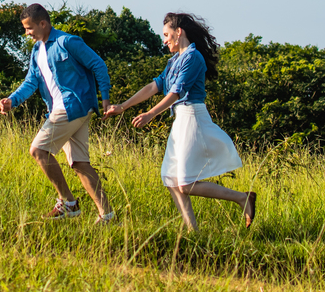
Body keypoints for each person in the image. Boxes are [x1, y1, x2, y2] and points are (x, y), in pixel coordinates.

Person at [104, 12, 257, 230]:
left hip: (192, 117)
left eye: (166, 34)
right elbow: (153, 86)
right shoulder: (174, 60)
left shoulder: (193, 57)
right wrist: (123, 106)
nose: (164, 40)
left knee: (184, 183)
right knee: (170, 178)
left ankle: (242, 198)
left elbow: (176, 93)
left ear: (179, 32)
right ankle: (192, 232)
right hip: (180, 119)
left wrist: (150, 114)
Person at [0, 3, 115, 224]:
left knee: (38, 150)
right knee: (80, 163)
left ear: (42, 23)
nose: (27, 33)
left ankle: (68, 204)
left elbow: (99, 66)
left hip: (73, 106)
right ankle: (107, 215)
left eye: (29, 28)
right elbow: (31, 81)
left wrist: (106, 100)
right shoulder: (37, 51)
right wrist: (12, 100)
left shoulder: (68, 42)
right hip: (63, 109)